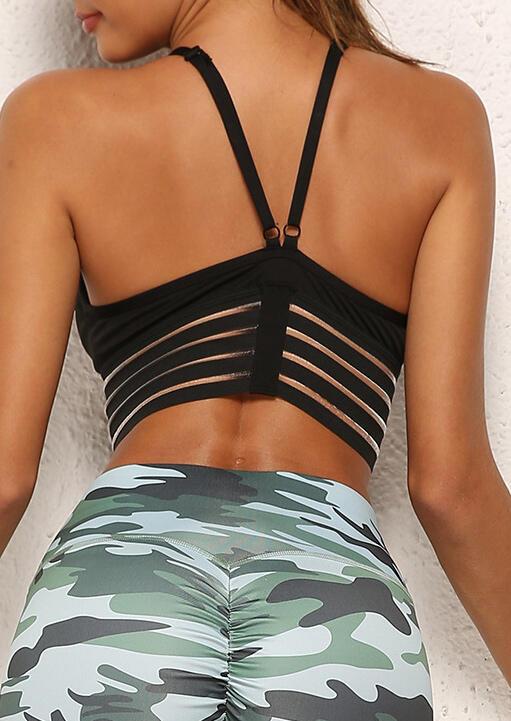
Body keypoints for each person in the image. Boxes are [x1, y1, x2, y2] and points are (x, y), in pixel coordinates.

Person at [0, 0, 509, 718]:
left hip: (113, 596)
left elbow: (3, 477)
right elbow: (451, 488)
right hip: (339, 615)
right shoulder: (440, 122)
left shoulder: (54, 121)